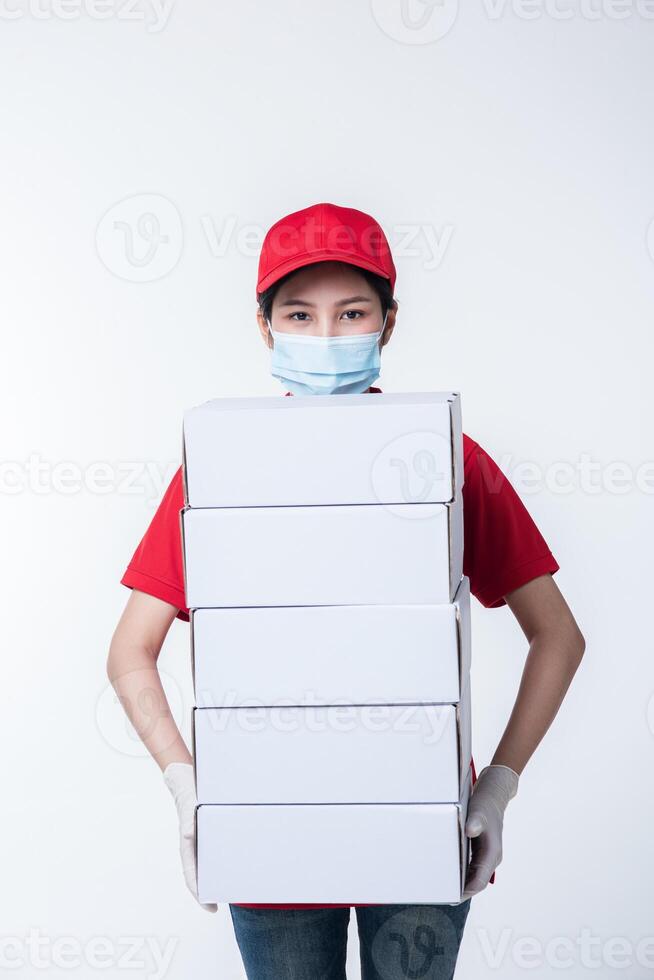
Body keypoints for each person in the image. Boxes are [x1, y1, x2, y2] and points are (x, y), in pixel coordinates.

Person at [107, 202, 586, 980]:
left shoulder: (446, 459)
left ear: (389, 323)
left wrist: (496, 789)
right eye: (299, 313)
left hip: (423, 820)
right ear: (265, 328)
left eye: (352, 312)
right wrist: (189, 789)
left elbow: (557, 635)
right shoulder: (222, 465)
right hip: (270, 819)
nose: (326, 337)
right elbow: (131, 650)